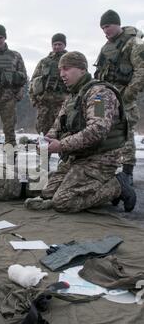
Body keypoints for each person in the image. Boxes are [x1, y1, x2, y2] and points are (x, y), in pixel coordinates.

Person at [25, 51, 137, 213]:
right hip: (78, 157)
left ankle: (117, 186)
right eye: (60, 69)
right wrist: (46, 142)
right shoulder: (72, 97)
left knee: (63, 202)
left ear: (82, 69)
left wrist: (61, 146)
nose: (62, 74)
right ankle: (87, 187)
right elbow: (57, 127)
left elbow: (98, 129)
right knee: (46, 191)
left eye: (67, 69)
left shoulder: (99, 95)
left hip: (100, 158)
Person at [94, 9, 144, 185]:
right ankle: (106, 169)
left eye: (107, 26)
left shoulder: (134, 43)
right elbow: (99, 72)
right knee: (101, 129)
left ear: (117, 24)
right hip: (104, 96)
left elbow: (141, 71)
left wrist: (128, 95)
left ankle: (128, 172)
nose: (105, 31)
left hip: (123, 96)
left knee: (126, 132)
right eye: (102, 28)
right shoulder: (105, 47)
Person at [29, 33, 69, 134]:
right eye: (55, 44)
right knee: (42, 132)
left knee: (62, 129)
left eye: (60, 44)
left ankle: (60, 150)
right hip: (44, 104)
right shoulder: (44, 62)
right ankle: (44, 150)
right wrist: (34, 101)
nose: (57, 47)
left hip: (62, 103)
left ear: (64, 45)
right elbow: (33, 82)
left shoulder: (71, 61)